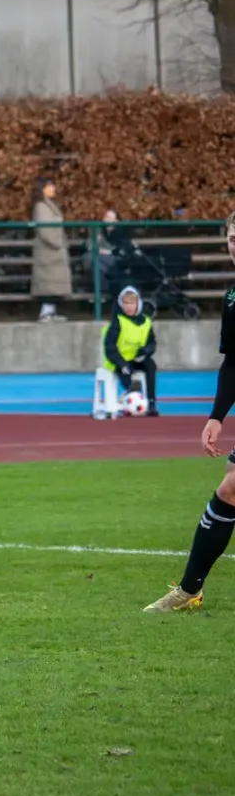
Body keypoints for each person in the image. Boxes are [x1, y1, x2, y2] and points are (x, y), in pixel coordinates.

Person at [146, 214, 235, 612]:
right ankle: (189, 591)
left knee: (231, 488)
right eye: (232, 238)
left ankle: (188, 590)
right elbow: (233, 362)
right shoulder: (233, 297)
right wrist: (216, 416)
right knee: (231, 486)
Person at [102, 285, 159, 414]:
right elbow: (109, 347)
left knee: (151, 365)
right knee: (127, 374)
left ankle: (151, 402)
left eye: (132, 303)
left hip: (136, 359)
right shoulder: (117, 322)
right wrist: (121, 363)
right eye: (125, 303)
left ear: (138, 304)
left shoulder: (146, 322)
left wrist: (145, 352)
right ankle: (131, 395)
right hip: (118, 361)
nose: (128, 307)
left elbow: (152, 342)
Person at [31, 178, 72, 322]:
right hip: (48, 251)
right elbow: (45, 230)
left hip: (53, 251)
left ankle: (51, 311)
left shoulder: (48, 205)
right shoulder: (41, 206)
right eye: (49, 186)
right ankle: (46, 312)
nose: (53, 188)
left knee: (54, 284)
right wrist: (58, 243)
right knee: (48, 283)